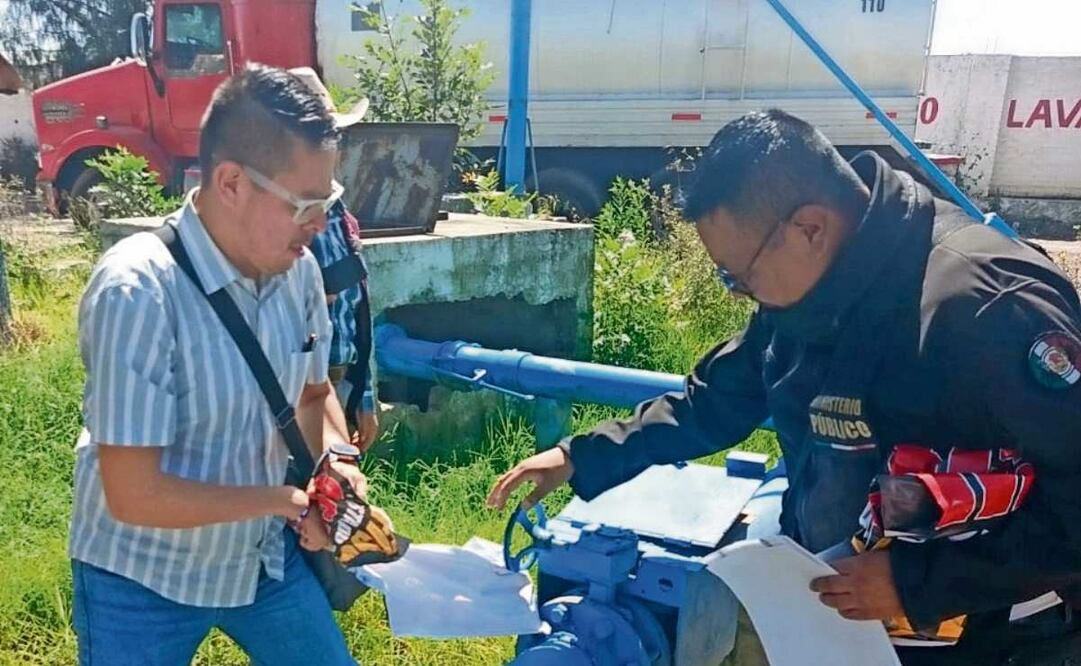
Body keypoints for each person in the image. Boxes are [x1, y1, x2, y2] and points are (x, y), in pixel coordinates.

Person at [487, 109, 1081, 664]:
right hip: (845, 614)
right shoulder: (812, 295)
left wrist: (916, 583)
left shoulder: (986, 309)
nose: (736, 291)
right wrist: (578, 456)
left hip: (992, 633)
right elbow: (716, 399)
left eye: (737, 274)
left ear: (809, 227)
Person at [68, 64, 362, 665]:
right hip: (142, 580)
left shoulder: (297, 268)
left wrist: (338, 465)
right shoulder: (138, 291)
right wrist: (283, 501)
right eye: (305, 203)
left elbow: (311, 396)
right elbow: (134, 495)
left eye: (327, 199)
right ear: (230, 183)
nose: (322, 223)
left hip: (258, 562)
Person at [288, 66, 380, 452]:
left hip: (337, 380)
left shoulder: (336, 210)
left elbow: (356, 304)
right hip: (301, 385)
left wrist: (365, 391)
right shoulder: (277, 222)